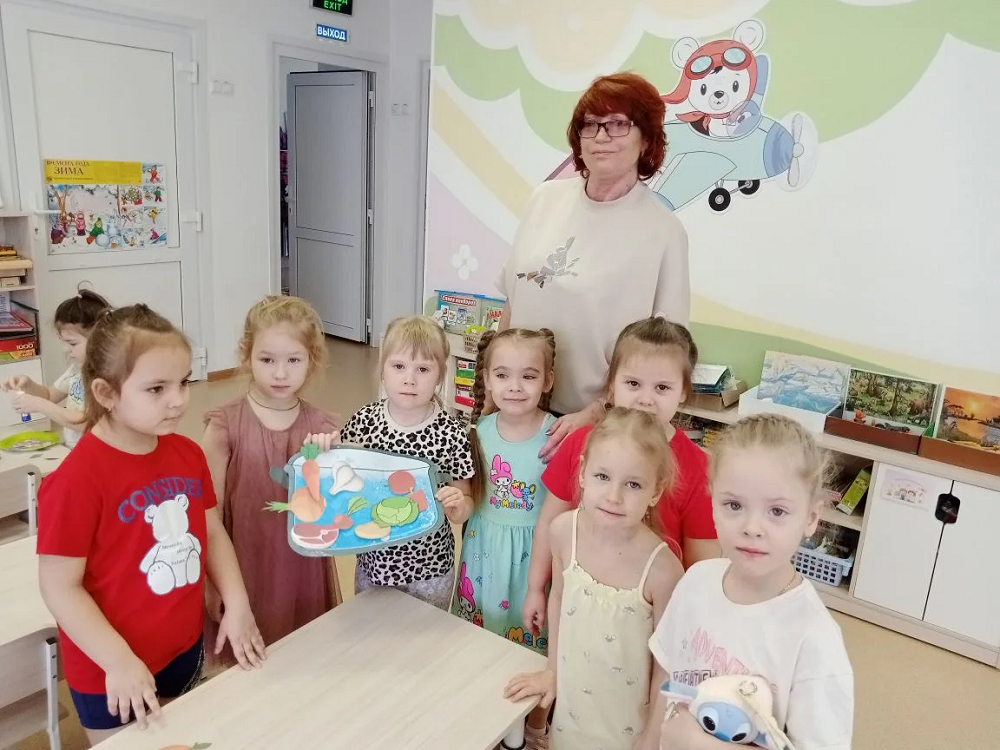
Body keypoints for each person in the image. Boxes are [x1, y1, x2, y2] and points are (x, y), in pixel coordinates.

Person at [36, 304, 265, 747]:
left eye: (183, 382)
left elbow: (210, 530)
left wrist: (237, 601)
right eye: (157, 388)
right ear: (106, 393)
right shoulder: (75, 482)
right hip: (110, 669)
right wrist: (118, 660)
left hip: (183, 648)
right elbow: (59, 587)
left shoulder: (187, 454)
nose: (178, 399)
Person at [496, 71, 690, 459]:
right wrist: (492, 383)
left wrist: (595, 413)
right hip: (516, 404)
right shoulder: (545, 199)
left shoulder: (663, 231)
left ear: (646, 139)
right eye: (590, 124)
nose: (601, 136)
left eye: (618, 124)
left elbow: (665, 354)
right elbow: (512, 303)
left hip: (594, 422)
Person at [648, 414, 854, 750]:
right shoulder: (695, 582)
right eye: (734, 505)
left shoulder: (814, 639)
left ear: (811, 518)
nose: (752, 527)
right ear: (712, 501)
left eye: (777, 511)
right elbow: (669, 676)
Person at [524, 317, 717, 638]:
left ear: (683, 391)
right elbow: (549, 523)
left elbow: (702, 567)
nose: (645, 399)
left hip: (649, 619)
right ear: (611, 385)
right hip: (578, 603)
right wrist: (535, 587)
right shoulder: (579, 443)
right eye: (633, 384)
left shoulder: (698, 467)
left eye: (662, 387)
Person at [504, 407, 683, 749]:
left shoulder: (663, 571)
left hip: (628, 728)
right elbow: (559, 600)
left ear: (656, 491)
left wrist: (652, 735)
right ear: (583, 472)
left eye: (633, 484)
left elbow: (668, 662)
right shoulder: (563, 532)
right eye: (602, 476)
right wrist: (552, 671)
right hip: (571, 714)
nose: (614, 496)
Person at [201, 295, 341, 670]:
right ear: (247, 356)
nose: (280, 373)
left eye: (293, 360)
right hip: (243, 565)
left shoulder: (322, 428)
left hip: (301, 571)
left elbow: (336, 510)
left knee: (300, 659)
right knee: (245, 664)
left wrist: (329, 461)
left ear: (311, 360)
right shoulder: (224, 425)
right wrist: (213, 584)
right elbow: (207, 512)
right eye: (267, 360)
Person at [453, 327, 556, 748]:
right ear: (487, 378)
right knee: (480, 639)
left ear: (547, 381)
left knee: (533, 647)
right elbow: (468, 494)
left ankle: (535, 726)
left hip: (534, 557)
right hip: (483, 552)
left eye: (528, 376)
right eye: (502, 375)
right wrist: (456, 505)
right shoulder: (478, 431)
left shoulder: (557, 434)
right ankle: (485, 716)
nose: (515, 386)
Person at [337, 315, 476, 609]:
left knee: (426, 634)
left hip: (431, 569)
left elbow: (464, 503)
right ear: (382, 370)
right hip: (374, 563)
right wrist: (326, 451)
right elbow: (343, 478)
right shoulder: (364, 421)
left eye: (423, 369)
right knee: (370, 628)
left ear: (440, 376)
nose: (409, 379)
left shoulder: (452, 433)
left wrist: (458, 505)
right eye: (399, 366)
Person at [2, 289, 111, 447]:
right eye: (63, 341)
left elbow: (86, 422)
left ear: (100, 338)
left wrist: (39, 405)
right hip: (74, 447)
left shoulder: (106, 377)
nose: (65, 349)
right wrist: (28, 384)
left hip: (96, 452)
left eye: (72, 343)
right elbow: (49, 395)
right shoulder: (76, 369)